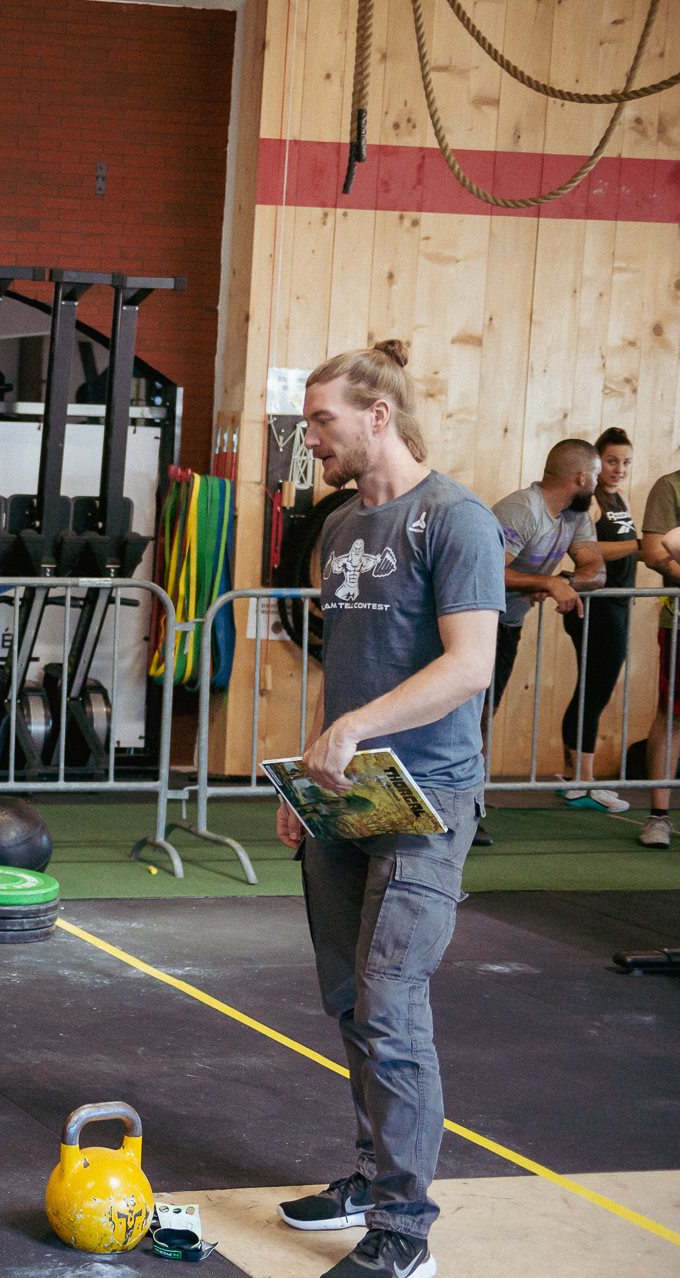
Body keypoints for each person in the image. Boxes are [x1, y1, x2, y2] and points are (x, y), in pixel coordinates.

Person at [273, 340, 502, 1278]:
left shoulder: (457, 520)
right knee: (347, 996)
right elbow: (345, 669)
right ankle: (371, 1175)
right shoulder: (337, 530)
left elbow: (469, 667)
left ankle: (405, 1231)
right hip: (351, 796)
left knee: (392, 1003)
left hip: (428, 797)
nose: (310, 437)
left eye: (322, 420)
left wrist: (355, 730)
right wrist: (311, 773)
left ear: (378, 416)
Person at [484, 440, 604, 843]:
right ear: (581, 477)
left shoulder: (576, 516)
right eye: (598, 475)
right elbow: (485, 572)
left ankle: (465, 810)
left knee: (483, 716)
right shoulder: (522, 509)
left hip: (507, 626)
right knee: (461, 718)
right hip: (471, 622)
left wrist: (564, 582)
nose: (599, 483)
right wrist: (544, 581)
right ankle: (454, 809)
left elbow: (596, 570)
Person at [555, 428, 637, 813]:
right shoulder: (590, 502)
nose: (619, 469)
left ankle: (576, 776)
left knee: (593, 689)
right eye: (611, 461)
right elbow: (589, 547)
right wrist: (640, 545)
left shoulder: (617, 498)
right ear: (595, 462)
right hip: (596, 606)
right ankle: (583, 781)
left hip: (617, 605)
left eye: (625, 462)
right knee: (596, 689)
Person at [636, 477, 680, 848]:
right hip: (679, 622)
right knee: (673, 715)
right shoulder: (671, 487)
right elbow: (656, 550)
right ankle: (659, 816)